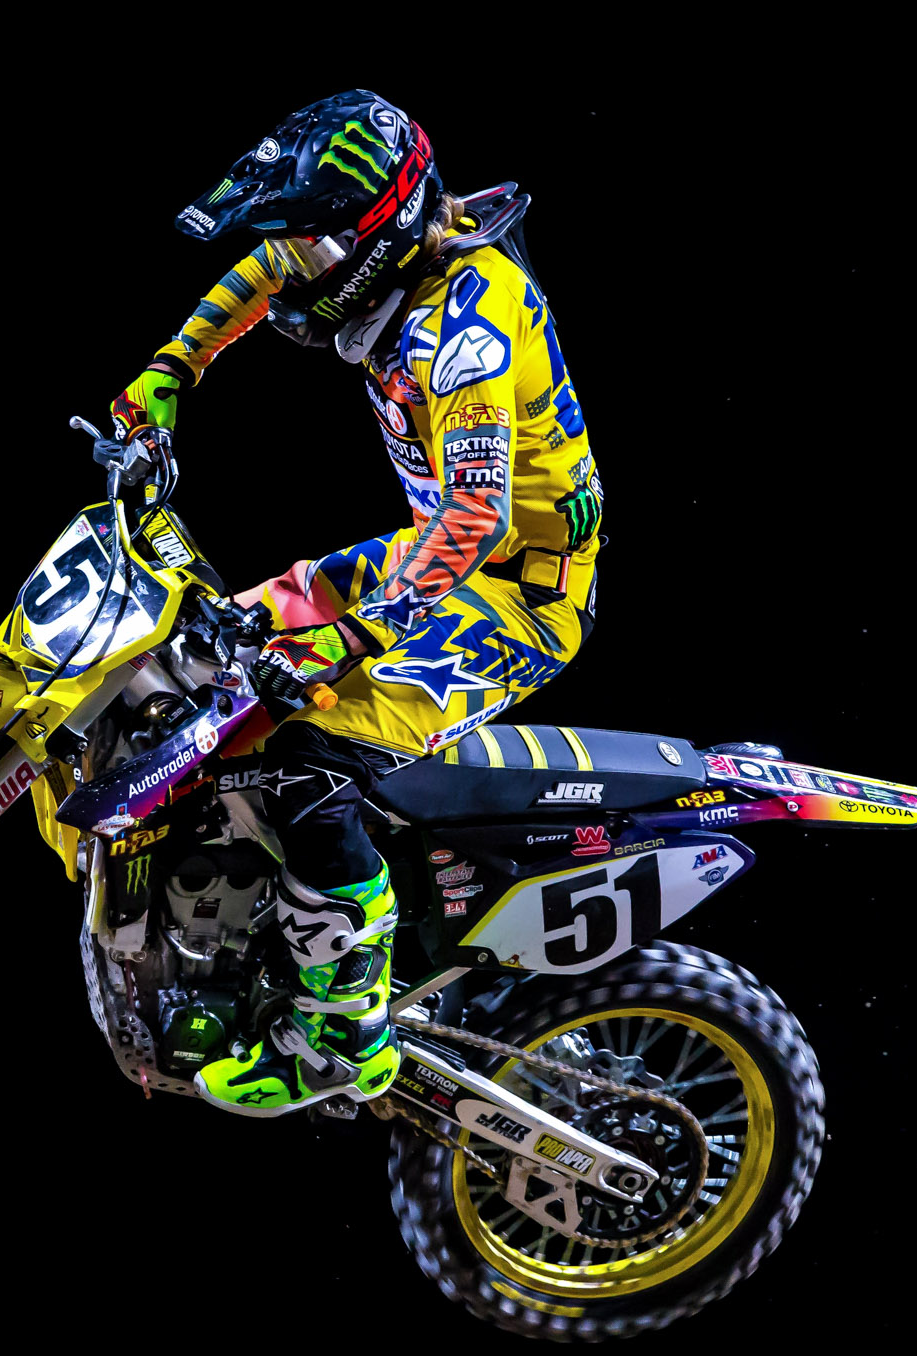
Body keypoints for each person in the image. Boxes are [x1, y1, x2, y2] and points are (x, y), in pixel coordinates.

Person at [111, 89, 607, 1118]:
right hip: (432, 552)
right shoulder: (385, 257)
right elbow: (262, 268)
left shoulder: (469, 330)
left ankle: (343, 1036)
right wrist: (172, 369)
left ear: (375, 241)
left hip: (516, 592)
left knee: (306, 754)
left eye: (316, 248)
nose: (295, 266)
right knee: (203, 644)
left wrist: (351, 637)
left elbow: (475, 519)